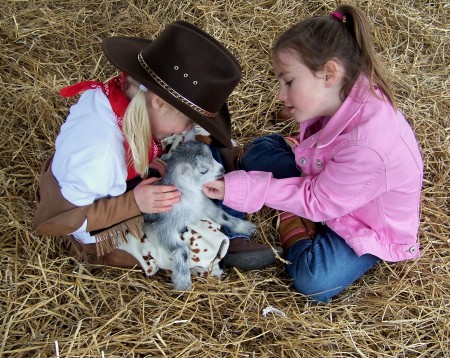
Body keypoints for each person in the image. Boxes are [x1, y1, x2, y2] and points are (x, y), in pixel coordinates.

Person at [203, 5, 423, 302]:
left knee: (315, 280)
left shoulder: (368, 145)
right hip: (326, 177)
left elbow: (318, 201)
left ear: (328, 73)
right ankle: (288, 197)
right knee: (256, 155)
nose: (280, 95)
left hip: (363, 222)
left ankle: (295, 218)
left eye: (289, 81)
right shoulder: (337, 94)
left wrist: (246, 188)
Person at [32, 21, 280, 275]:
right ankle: (225, 238)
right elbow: (69, 221)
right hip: (97, 225)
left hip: (112, 185)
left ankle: (218, 176)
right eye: (187, 118)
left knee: (194, 144)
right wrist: (134, 204)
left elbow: (131, 144)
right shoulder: (99, 158)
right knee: (200, 248)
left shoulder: (117, 99)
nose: (185, 127)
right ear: (160, 102)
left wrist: (142, 163)